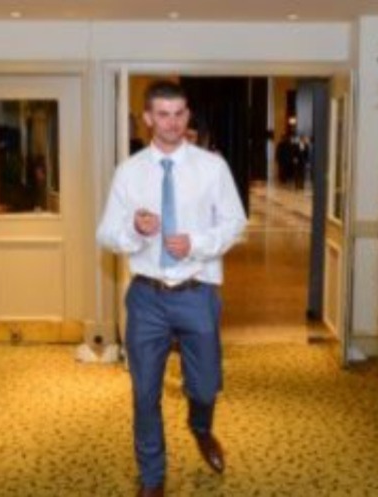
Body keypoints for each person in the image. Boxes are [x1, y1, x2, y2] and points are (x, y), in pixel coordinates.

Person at [96, 80, 247, 497]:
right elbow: (106, 233)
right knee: (145, 393)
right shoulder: (129, 172)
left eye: (179, 114)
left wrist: (196, 243)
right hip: (147, 296)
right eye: (163, 114)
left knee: (205, 385)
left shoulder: (212, 168)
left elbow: (235, 222)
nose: (173, 123)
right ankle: (152, 478)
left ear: (188, 115)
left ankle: (200, 426)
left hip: (197, 292)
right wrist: (134, 229)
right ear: (148, 118)